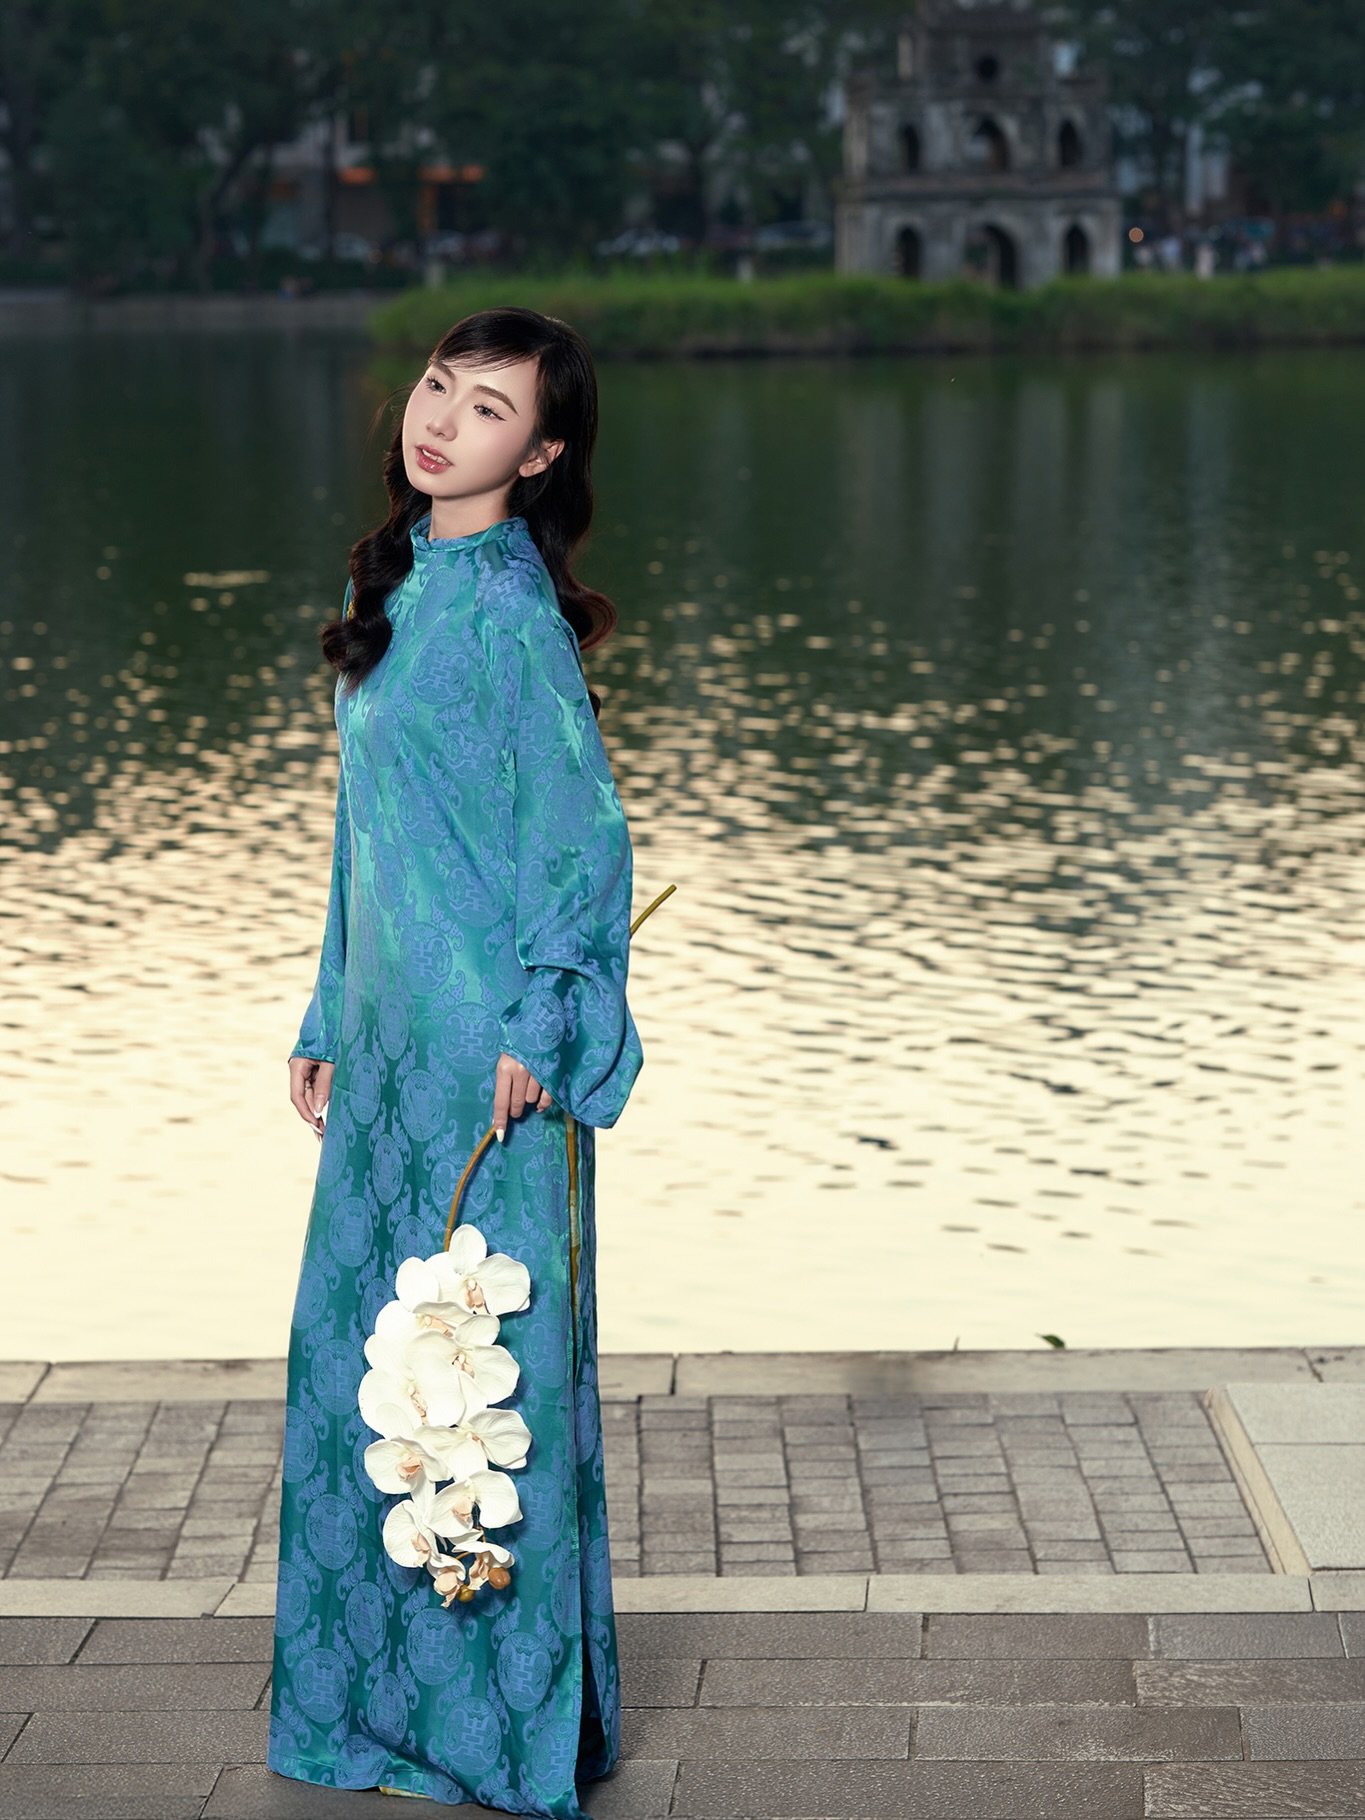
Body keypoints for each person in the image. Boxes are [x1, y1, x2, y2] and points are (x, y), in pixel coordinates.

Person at [266, 305, 644, 1817]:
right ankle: (370, 1712)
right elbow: (366, 842)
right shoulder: (404, 582)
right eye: (437, 386)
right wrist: (324, 1014)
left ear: (539, 455)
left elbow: (584, 843)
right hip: (389, 1053)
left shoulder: (508, 616)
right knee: (365, 1372)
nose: (441, 420)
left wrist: (542, 1027)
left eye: (488, 409)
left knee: (481, 1386)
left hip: (489, 1064)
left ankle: (492, 1731)